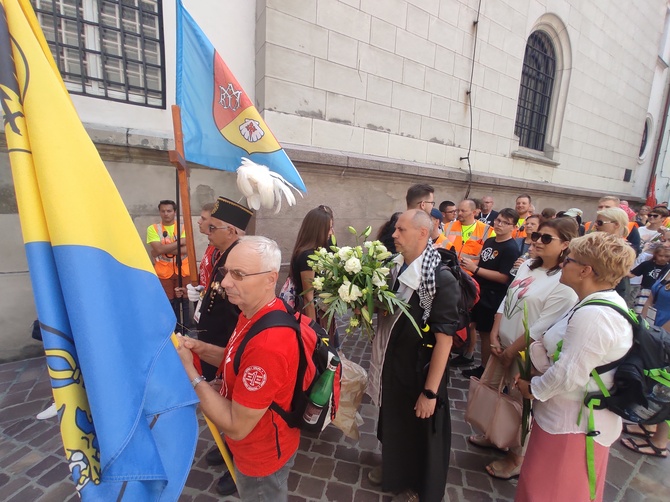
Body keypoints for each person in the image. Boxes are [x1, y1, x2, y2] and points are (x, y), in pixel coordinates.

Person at [176, 236, 299, 502]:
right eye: (226, 271)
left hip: (260, 456)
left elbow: (236, 426)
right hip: (259, 442)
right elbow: (237, 358)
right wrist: (200, 348)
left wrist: (191, 373)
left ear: (270, 279)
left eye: (239, 274)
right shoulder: (254, 311)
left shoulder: (268, 344)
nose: (226, 282)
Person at [515, 233, 636, 502]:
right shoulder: (592, 304)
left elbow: (569, 373)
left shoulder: (595, 316)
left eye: (568, 259)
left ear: (585, 270)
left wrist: (532, 388)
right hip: (563, 418)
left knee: (552, 492)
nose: (562, 263)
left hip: (573, 426)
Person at [468, 218, 579, 479]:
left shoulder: (564, 282)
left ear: (565, 244)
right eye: (537, 235)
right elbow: (507, 299)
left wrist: (511, 351)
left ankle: (517, 456)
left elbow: (542, 326)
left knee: (520, 404)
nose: (537, 241)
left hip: (526, 353)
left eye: (546, 238)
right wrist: (494, 334)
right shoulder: (528, 265)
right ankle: (494, 433)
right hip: (503, 343)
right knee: (494, 392)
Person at [367, 210, 460, 502]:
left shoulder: (440, 279)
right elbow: (390, 309)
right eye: (395, 229)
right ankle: (395, 469)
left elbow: (445, 340)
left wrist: (430, 392)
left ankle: (416, 488)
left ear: (422, 233)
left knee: (418, 431)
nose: (394, 235)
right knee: (393, 419)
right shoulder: (396, 267)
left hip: (420, 369)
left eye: (401, 230)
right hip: (395, 364)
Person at [185, 196, 253, 496]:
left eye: (213, 227)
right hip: (215, 341)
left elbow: (244, 312)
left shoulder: (239, 260)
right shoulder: (223, 253)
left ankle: (239, 465)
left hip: (231, 345)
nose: (207, 232)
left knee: (235, 407)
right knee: (221, 398)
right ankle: (226, 444)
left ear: (233, 231)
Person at [457, 209, 521, 375]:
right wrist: (468, 259)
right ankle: (469, 355)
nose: (499, 224)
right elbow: (485, 259)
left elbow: (503, 277)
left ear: (513, 227)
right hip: (480, 291)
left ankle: (484, 369)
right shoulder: (491, 240)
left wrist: (475, 268)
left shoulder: (511, 248)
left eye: (505, 223)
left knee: (486, 333)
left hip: (493, 295)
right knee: (472, 325)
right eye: (498, 220)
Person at [146, 199, 190, 331]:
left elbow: (187, 250)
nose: (166, 214)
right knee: (168, 303)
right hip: (164, 272)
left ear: (175, 212)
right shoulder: (153, 229)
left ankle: (186, 330)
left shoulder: (183, 227)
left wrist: (162, 248)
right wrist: (180, 242)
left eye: (169, 211)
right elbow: (157, 249)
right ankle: (171, 330)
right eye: (163, 211)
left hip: (183, 270)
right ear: (159, 212)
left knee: (185, 302)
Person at [288, 206, 334, 321]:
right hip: (312, 315)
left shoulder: (315, 251)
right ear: (318, 231)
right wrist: (313, 330)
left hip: (320, 312)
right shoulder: (308, 256)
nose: (331, 232)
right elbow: (308, 297)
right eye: (328, 228)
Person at [440, 199, 494, 265]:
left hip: (470, 273)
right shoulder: (448, 226)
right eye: (458, 210)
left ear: (473, 212)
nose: (459, 213)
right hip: (448, 269)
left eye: (463, 211)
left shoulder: (488, 230)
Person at [594, 207, 633, 299]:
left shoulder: (621, 249)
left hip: (609, 294)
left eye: (600, 223)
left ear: (616, 224)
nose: (595, 225)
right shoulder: (596, 243)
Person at [629, 244, 670, 313]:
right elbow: (631, 274)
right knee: (639, 312)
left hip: (660, 293)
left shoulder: (668, 268)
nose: (663, 258)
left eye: (667, 256)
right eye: (660, 255)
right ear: (655, 254)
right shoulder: (647, 264)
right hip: (645, 291)